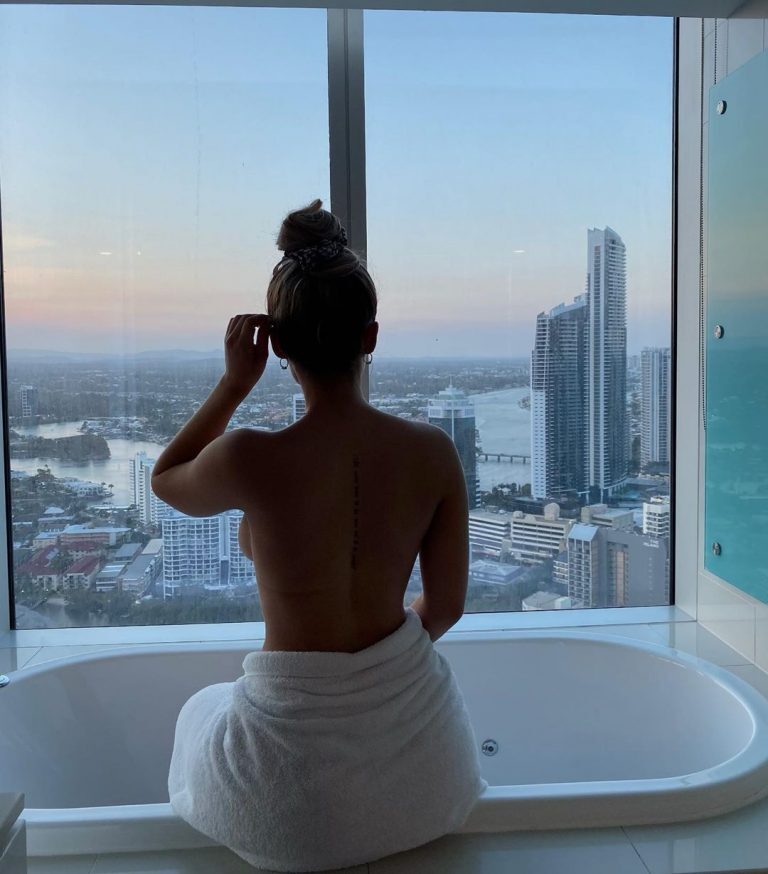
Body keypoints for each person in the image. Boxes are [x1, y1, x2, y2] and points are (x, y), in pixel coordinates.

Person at [152, 200, 486, 872]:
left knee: (198, 710)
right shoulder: (432, 453)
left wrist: (233, 384)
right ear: (371, 336)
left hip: (287, 808)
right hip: (430, 780)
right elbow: (445, 607)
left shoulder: (250, 458)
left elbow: (166, 479)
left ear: (277, 345)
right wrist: (371, 679)